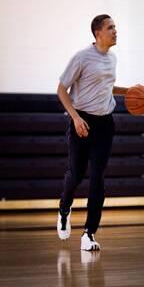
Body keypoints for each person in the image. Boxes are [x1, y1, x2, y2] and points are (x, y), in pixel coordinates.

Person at [56, 14, 128, 251]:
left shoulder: (113, 59)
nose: (115, 30)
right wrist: (75, 118)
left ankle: (89, 233)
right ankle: (64, 208)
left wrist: (130, 91)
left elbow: (106, 87)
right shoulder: (81, 57)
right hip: (82, 122)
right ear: (98, 33)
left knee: (98, 178)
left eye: (115, 26)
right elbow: (61, 89)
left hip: (105, 123)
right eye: (111, 27)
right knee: (76, 175)